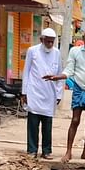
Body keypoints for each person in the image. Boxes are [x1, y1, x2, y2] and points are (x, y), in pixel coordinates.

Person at [44, 28, 85, 162]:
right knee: (75, 120)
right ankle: (68, 152)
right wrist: (58, 77)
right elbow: (69, 70)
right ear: (83, 38)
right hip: (79, 89)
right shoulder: (75, 51)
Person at [22, 28, 63, 159]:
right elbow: (26, 72)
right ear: (42, 40)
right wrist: (24, 92)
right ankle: (32, 150)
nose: (50, 44)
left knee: (47, 124)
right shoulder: (32, 51)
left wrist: (59, 94)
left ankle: (46, 150)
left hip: (49, 94)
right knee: (33, 123)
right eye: (48, 42)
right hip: (34, 91)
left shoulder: (56, 53)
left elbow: (60, 75)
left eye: (52, 42)